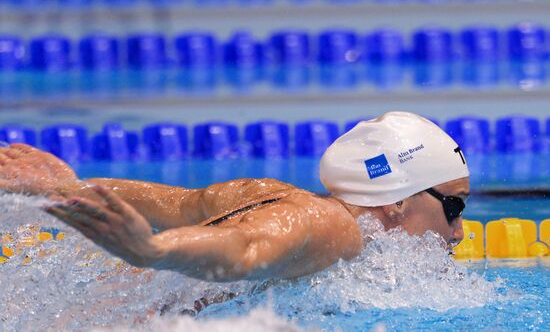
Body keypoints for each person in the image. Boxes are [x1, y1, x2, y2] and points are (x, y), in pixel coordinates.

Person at [0, 111, 469, 282]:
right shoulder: (337, 229)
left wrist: (67, 189)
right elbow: (246, 247)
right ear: (397, 199)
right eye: (453, 207)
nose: (459, 231)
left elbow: (180, 204)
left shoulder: (267, 193)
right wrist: (152, 250)